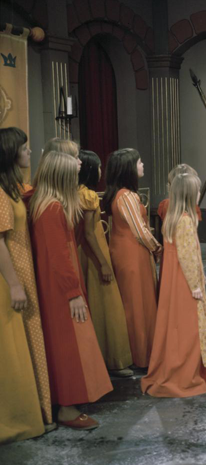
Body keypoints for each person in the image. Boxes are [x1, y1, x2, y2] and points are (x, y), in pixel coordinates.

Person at [29, 151, 112, 430]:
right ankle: (67, 406)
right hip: (60, 286)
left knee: (66, 340)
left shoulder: (44, 203)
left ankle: (68, 401)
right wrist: (73, 292)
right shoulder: (52, 208)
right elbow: (59, 255)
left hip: (56, 282)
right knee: (70, 342)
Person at [141, 173, 206, 397]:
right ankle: (185, 374)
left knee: (176, 325)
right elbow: (187, 256)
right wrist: (196, 283)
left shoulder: (175, 217)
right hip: (185, 282)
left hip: (176, 278)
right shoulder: (184, 220)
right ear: (188, 194)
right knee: (188, 329)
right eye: (197, 190)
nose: (199, 193)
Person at [0, 127, 53, 443]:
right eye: (24, 147)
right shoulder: (0, 192)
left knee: (28, 343)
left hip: (22, 273)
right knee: (14, 350)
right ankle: (19, 417)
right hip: (11, 278)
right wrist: (14, 285)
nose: (29, 151)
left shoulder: (13, 188)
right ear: (10, 153)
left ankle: (39, 411)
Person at [103, 148, 162, 370]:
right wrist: (158, 249)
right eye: (139, 162)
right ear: (128, 168)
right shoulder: (127, 196)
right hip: (133, 255)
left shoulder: (118, 195)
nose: (142, 165)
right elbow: (140, 232)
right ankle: (142, 355)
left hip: (125, 252)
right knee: (137, 305)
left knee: (134, 303)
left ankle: (139, 353)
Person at [78, 150, 133, 377]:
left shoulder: (76, 193)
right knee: (107, 306)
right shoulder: (89, 195)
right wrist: (103, 262)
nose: (101, 171)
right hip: (95, 254)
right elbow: (89, 233)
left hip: (84, 253)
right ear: (91, 170)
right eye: (99, 166)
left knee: (95, 304)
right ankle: (113, 359)